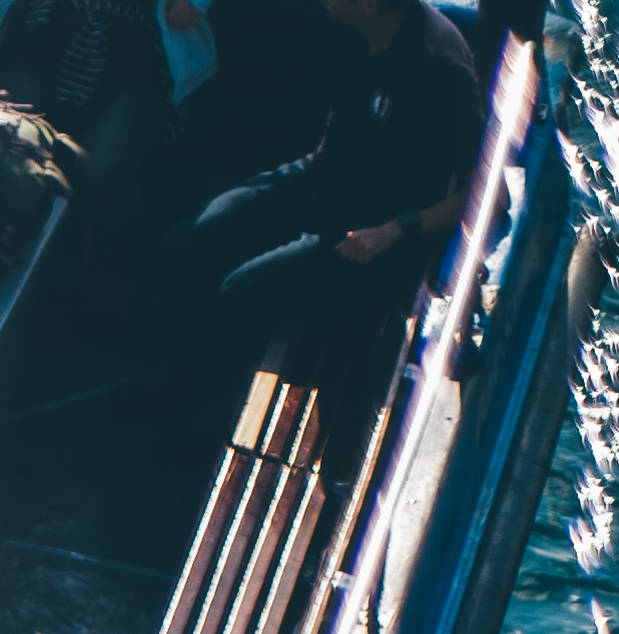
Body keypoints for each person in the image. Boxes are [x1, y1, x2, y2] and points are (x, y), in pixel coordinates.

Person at [173, 0, 481, 384]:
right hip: (314, 177)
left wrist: (396, 229)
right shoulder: (352, 26)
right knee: (188, 242)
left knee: (241, 293)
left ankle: (202, 397)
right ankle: (173, 365)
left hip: (363, 231)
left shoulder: (438, 68)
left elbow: (484, 191)